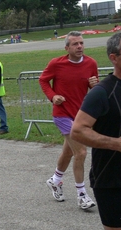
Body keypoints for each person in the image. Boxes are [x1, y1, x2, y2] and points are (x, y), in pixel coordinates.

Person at [70, 31, 121, 230]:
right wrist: (116, 144)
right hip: (111, 180)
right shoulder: (102, 92)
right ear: (114, 57)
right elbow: (78, 130)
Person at [39, 31, 99, 210]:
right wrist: (53, 96)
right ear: (67, 48)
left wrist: (94, 85)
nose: (79, 46)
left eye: (81, 43)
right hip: (62, 114)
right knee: (81, 152)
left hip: (80, 115)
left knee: (69, 151)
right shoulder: (56, 64)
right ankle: (82, 194)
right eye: (75, 44)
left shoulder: (91, 63)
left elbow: (92, 85)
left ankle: (55, 180)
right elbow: (43, 80)